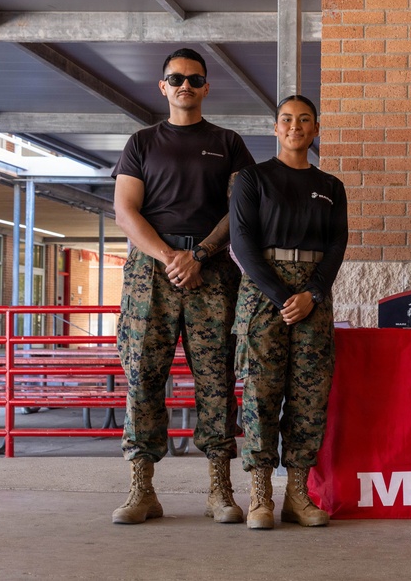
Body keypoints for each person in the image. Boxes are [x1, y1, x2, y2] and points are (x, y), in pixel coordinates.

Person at [111, 48, 254, 525]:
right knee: (142, 375)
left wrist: (199, 255)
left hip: (210, 269)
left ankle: (219, 487)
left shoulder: (228, 142)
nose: (185, 86)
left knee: (215, 379)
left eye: (194, 79)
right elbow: (126, 210)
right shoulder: (142, 142)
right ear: (162, 86)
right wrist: (169, 256)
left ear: (206, 87)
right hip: (150, 270)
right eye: (176, 79)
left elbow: (240, 211)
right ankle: (142, 488)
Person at [229, 95, 348, 530]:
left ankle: (298, 495)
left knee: (309, 394)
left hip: (313, 294)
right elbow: (241, 243)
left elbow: (337, 245)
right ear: (275, 129)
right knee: (261, 393)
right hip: (265, 293)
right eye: (286, 120)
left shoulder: (331, 186)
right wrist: (283, 296)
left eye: (304, 120)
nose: (295, 126)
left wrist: (312, 293)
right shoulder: (252, 179)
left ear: (315, 129)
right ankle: (261, 496)